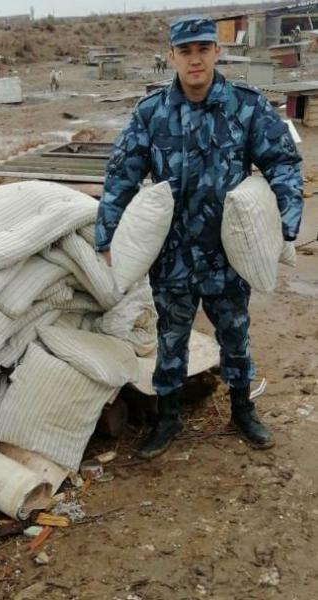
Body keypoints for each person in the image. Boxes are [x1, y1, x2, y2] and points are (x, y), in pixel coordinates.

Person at [95, 16, 303, 459]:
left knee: (236, 334)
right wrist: (107, 235)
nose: (195, 59)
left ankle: (243, 410)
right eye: (185, 51)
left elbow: (282, 163)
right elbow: (121, 176)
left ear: (216, 52)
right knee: (171, 338)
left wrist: (285, 221)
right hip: (172, 257)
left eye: (203, 49)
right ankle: (167, 418)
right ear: (171, 57)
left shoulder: (246, 107)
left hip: (229, 254)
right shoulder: (151, 114)